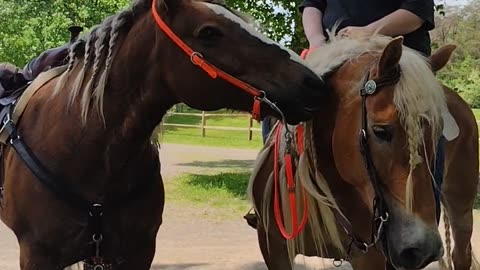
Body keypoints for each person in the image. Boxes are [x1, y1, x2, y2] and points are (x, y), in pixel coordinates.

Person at [299, 0, 435, 56]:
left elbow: (416, 13)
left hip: (397, 55)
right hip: (333, 54)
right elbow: (312, 6)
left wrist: (368, 31)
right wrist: (316, 40)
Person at [0, 26, 83, 99]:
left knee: (38, 64)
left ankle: (69, 47)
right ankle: (69, 47)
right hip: (15, 78)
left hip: (22, 74)